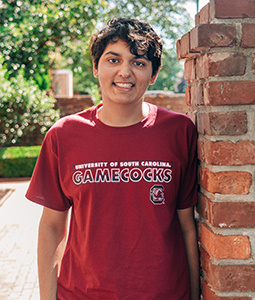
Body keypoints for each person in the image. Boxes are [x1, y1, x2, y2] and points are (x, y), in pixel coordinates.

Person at [26, 18, 199, 300]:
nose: (124, 72)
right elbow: (52, 226)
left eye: (139, 63)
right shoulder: (63, 135)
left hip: (164, 293)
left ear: (153, 74)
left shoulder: (179, 132)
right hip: (82, 294)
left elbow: (186, 225)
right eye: (113, 60)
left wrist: (194, 296)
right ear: (96, 68)